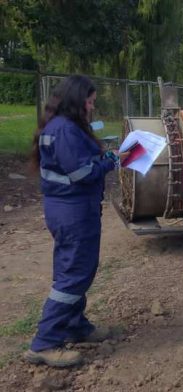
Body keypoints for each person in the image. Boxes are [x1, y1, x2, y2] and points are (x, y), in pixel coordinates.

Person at [24, 75, 131, 367]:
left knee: (73, 270)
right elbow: (82, 174)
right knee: (74, 275)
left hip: (66, 210)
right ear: (76, 101)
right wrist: (112, 160)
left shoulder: (59, 127)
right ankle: (45, 342)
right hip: (73, 213)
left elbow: (76, 165)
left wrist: (105, 156)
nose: (92, 107)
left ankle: (74, 325)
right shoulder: (66, 131)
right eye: (90, 102)